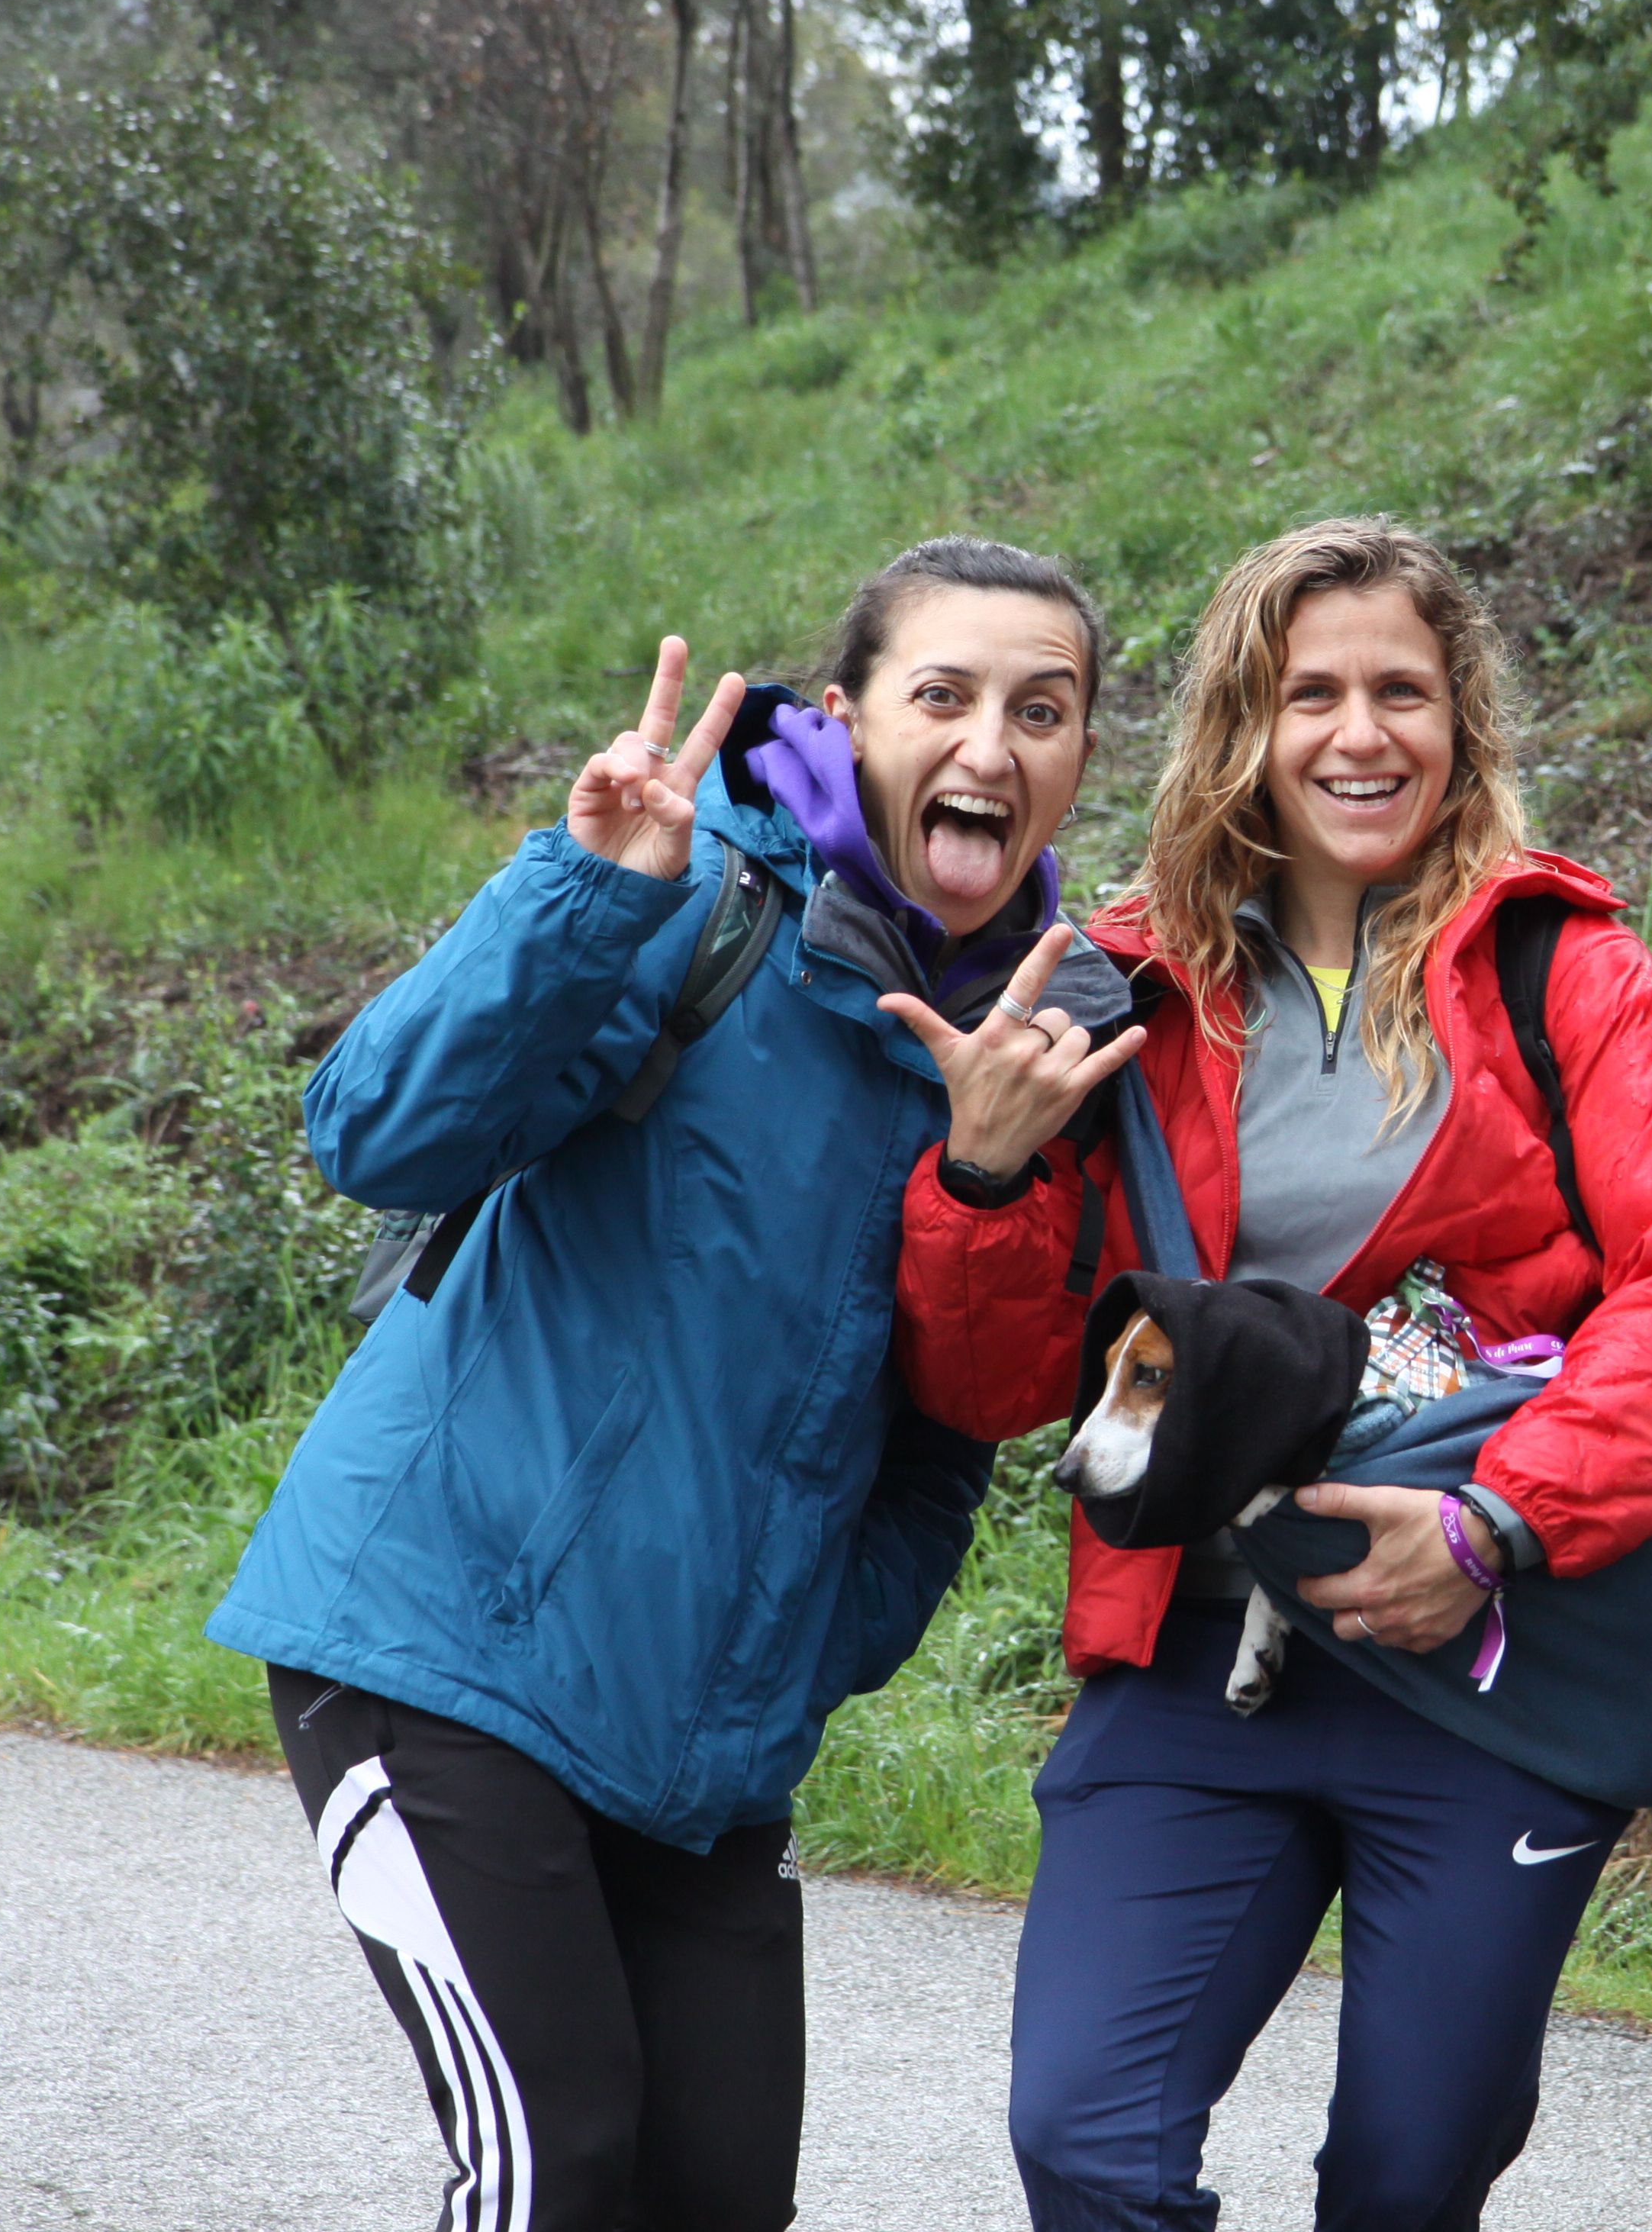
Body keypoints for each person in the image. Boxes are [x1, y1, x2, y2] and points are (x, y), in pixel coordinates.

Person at [205, 537, 1149, 2232]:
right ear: (852, 713)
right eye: (941, 695)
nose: (989, 747)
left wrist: (994, 1174)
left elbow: (966, 1420)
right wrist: (583, 897)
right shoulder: (690, 883)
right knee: (554, 2166)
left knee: (713, 2197)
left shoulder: (1048, 1036)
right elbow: (373, 1130)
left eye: (1043, 709)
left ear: (1084, 757)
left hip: (710, 1739)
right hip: (446, 1650)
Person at [887, 516, 1652, 2232]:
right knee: (1085, 2138)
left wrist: (1492, 1529)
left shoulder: (1568, 974)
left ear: (1464, 725)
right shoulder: (1117, 991)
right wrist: (984, 1178)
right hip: (1191, 1652)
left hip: (1490, 1663)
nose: (1361, 733)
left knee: (1409, 2174)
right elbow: (996, 1382)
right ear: (1244, 723)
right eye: (1313, 693)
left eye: (1402, 691)